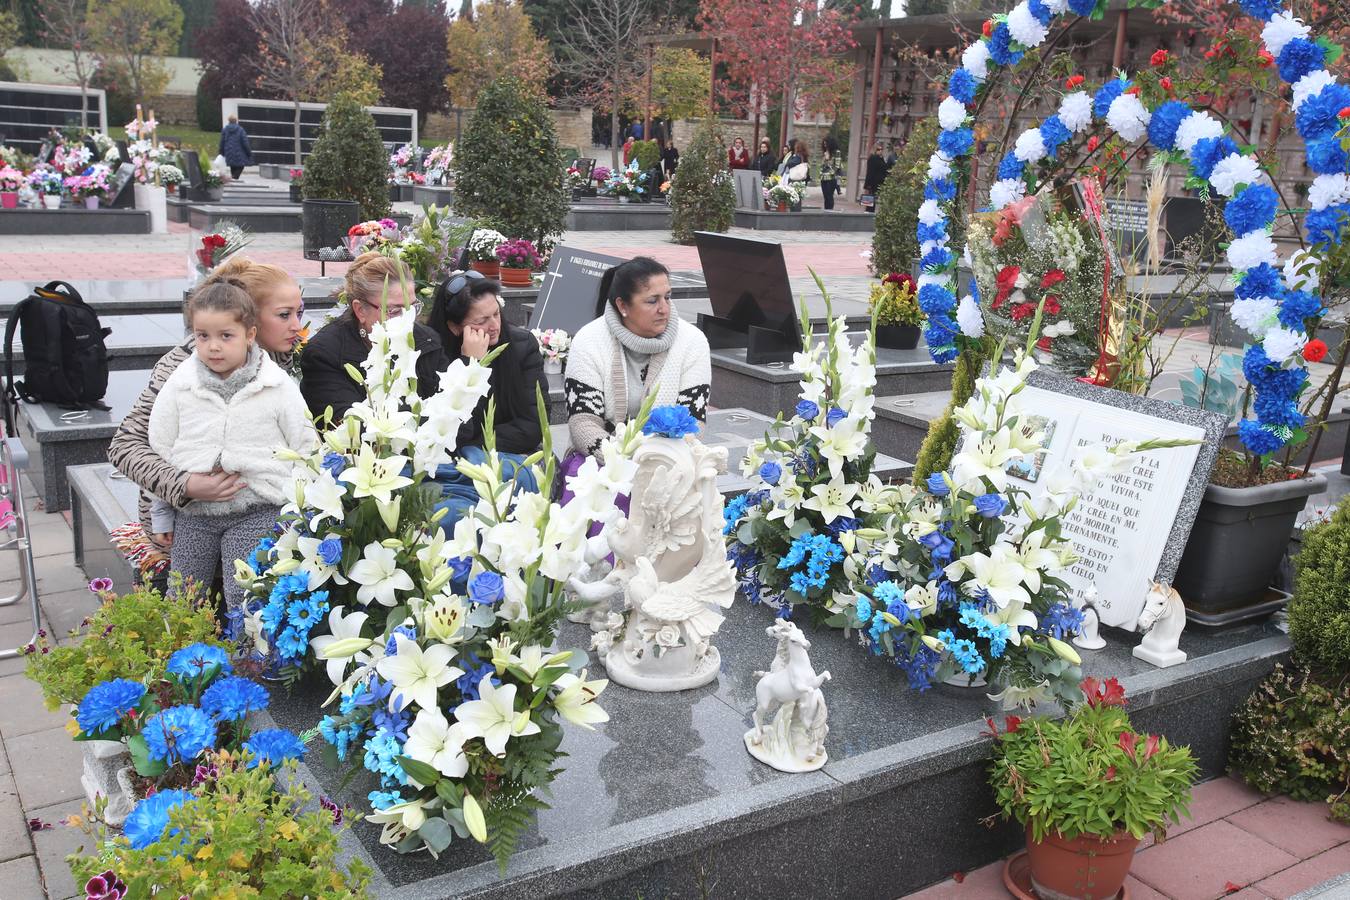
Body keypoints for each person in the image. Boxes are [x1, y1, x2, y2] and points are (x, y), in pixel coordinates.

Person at [109, 258, 306, 554]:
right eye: (284, 315)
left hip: (255, 507)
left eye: (298, 313)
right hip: (184, 517)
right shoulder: (184, 367)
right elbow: (124, 445)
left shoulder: (274, 360)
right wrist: (186, 485)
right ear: (246, 315)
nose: (297, 326)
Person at [146, 281, 315, 610]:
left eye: (226, 336)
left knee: (246, 596)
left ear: (250, 334)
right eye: (202, 336)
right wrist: (162, 513)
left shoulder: (276, 386)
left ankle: (248, 660)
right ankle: (179, 657)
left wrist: (300, 513)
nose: (213, 347)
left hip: (255, 509)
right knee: (183, 595)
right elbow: (163, 448)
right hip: (194, 511)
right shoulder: (182, 385)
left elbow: (306, 446)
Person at [564, 256, 711, 462]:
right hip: (603, 459)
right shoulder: (589, 339)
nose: (664, 309)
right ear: (623, 306)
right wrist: (622, 461)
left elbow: (693, 424)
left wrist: (654, 461)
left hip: (670, 459)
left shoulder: (692, 341)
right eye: (652, 300)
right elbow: (583, 423)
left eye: (667, 297)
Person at [426, 270, 544, 522]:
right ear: (455, 327)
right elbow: (451, 432)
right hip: (453, 465)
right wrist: (471, 367)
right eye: (481, 321)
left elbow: (532, 426)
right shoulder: (436, 357)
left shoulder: (522, 346)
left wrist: (476, 444)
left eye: (496, 314)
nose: (494, 326)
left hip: (509, 457)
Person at [300, 253, 448, 421]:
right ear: (360, 310)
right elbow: (350, 429)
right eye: (394, 310)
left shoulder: (426, 340)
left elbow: (454, 417)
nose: (409, 319)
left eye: (412, 306)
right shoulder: (325, 355)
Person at [219, 114, 253, 181]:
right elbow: (245, 142)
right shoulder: (240, 130)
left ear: (229, 121)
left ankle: (233, 180)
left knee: (233, 167)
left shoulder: (225, 130)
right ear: (236, 121)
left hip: (229, 153)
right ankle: (233, 179)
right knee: (240, 166)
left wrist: (221, 152)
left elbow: (222, 142)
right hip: (239, 153)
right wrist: (249, 152)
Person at [863, 141, 888, 213]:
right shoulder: (872, 158)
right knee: (871, 199)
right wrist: (868, 185)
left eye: (881, 149)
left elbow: (884, 168)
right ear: (874, 149)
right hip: (873, 182)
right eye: (878, 149)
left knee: (875, 199)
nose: (880, 151)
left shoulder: (881, 158)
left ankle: (870, 211)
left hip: (880, 182)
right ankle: (868, 212)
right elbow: (870, 172)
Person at [820, 137, 842, 211]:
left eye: (826, 144)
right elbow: (822, 165)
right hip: (823, 177)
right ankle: (826, 210)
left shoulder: (837, 152)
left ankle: (830, 210)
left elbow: (837, 166)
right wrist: (824, 159)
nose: (825, 146)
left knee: (829, 196)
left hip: (831, 178)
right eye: (824, 144)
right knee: (825, 196)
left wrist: (828, 159)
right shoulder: (825, 152)